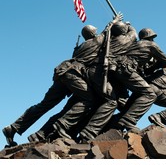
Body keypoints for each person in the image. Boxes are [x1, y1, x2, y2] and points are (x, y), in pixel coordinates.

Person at [3, 14, 122, 146]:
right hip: (73, 74)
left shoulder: (80, 48)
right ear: (93, 33)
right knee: (88, 99)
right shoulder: (97, 41)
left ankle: (14, 127)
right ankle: (61, 125)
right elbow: (108, 30)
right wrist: (116, 20)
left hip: (62, 72)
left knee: (45, 105)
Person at [108, 27, 166, 132]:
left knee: (137, 94)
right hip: (126, 69)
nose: (153, 40)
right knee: (150, 94)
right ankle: (127, 121)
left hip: (118, 69)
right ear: (149, 37)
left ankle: (117, 120)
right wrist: (153, 68)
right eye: (152, 38)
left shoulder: (134, 44)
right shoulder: (151, 45)